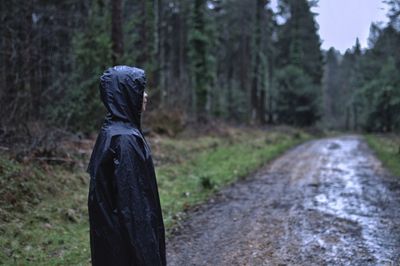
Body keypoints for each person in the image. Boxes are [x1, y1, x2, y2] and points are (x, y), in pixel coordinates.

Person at [86, 65, 166, 266]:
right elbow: (135, 211)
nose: (145, 95)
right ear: (125, 94)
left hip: (114, 247)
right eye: (139, 89)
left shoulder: (111, 132)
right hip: (126, 251)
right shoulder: (124, 140)